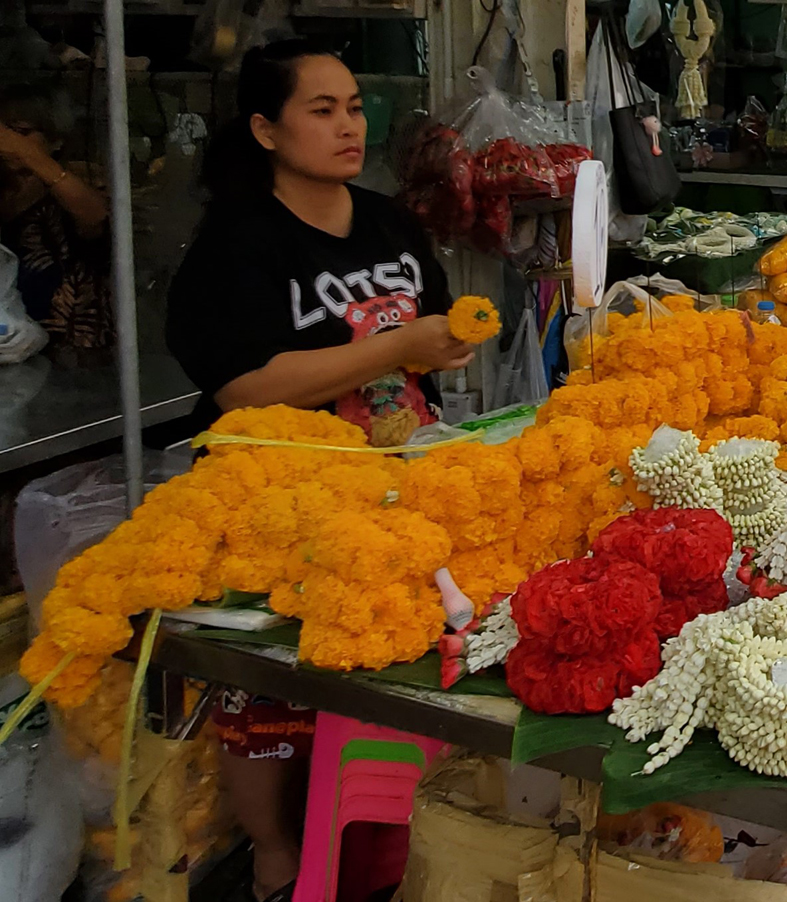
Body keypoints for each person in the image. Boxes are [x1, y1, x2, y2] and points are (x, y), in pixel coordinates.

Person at [166, 39, 475, 902]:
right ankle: (274, 855)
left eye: (355, 107)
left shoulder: (387, 222)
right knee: (272, 689)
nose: (350, 126)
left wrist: (448, 341)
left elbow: (432, 331)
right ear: (266, 129)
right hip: (281, 495)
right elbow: (242, 385)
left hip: (397, 482)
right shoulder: (237, 244)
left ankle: (380, 836)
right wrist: (398, 345)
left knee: (384, 665)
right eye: (323, 109)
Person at [0, 85, 113, 350]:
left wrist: (27, 155)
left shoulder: (75, 192)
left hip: (73, 351)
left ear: (56, 140)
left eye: (21, 132)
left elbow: (96, 217)